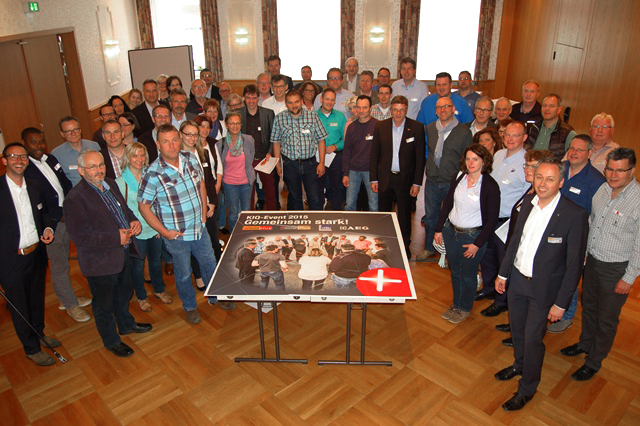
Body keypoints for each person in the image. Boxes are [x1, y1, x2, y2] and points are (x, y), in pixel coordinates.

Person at [493, 157, 588, 411]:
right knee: (517, 330)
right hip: (517, 281)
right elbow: (515, 241)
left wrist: (561, 304)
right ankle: (519, 365)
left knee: (533, 339)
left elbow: (574, 266)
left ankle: (527, 388)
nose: (543, 184)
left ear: (561, 182)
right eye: (539, 177)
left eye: (550, 179)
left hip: (543, 290)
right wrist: (503, 274)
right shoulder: (527, 203)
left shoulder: (574, 215)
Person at [138, 124, 235, 325]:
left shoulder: (190, 158)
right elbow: (144, 207)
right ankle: (190, 306)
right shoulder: (152, 173)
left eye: (175, 140)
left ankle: (216, 297)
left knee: (210, 263)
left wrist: (203, 213)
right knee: (184, 273)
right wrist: (164, 232)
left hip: (199, 228)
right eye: (166, 142)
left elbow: (201, 184)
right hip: (176, 236)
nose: (172, 145)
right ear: (158, 144)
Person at [64, 149, 153, 358]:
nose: (99, 170)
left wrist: (133, 220)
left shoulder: (110, 184)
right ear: (81, 170)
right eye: (92, 167)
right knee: (104, 304)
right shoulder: (75, 198)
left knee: (124, 292)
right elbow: (79, 236)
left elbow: (124, 210)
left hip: (122, 253)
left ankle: (126, 324)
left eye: (101, 165)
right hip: (100, 261)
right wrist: (115, 237)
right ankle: (111, 341)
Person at [560, 148, 640, 382]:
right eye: (610, 169)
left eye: (620, 171)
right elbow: (592, 222)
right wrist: (585, 255)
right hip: (593, 261)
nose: (613, 175)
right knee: (589, 308)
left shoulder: (637, 201)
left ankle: (594, 362)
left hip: (616, 269)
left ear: (632, 171)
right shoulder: (602, 190)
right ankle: (585, 344)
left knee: (606, 319)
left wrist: (629, 278)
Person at [22, 128, 92, 322]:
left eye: (41, 141)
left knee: (68, 260)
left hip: (68, 217)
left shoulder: (50, 159)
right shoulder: (26, 169)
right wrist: (53, 218)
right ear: (25, 144)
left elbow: (65, 184)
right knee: (59, 264)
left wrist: (70, 206)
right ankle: (70, 304)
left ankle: (65, 297)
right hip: (51, 225)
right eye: (33, 142)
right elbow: (34, 203)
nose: (39, 146)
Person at [0, 143, 57, 366]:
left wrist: (48, 228)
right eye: (13, 156)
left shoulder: (34, 186)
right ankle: (31, 348)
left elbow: (45, 215)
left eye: (23, 157)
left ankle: (39, 334)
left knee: (36, 299)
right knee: (19, 305)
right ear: (4, 160)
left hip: (36, 254)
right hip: (10, 260)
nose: (19, 160)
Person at [545, 135, 606, 333]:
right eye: (572, 148)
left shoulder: (596, 180)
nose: (574, 152)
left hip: (574, 237)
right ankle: (548, 304)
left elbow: (596, 216)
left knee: (568, 275)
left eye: (580, 150)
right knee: (550, 271)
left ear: (590, 153)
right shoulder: (559, 168)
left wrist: (586, 247)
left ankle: (567, 315)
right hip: (549, 231)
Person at [435, 144, 500, 323]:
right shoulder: (459, 177)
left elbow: (492, 220)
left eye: (475, 159)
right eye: (468, 159)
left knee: (468, 274)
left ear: (484, 161)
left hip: (472, 237)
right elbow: (448, 203)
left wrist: (477, 244)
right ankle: (456, 304)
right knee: (455, 271)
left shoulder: (490, 186)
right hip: (451, 233)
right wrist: (439, 229)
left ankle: (464, 307)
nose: (471, 163)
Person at [496, 149, 553, 347]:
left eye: (533, 166)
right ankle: (516, 328)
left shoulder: (542, 199)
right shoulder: (529, 193)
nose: (528, 169)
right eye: (527, 165)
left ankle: (523, 337)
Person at [476, 122, 529, 313]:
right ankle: (489, 288)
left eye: (515, 135)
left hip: (507, 222)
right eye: (507, 134)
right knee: (487, 257)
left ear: (524, 138)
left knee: (503, 262)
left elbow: (527, 196)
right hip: (489, 218)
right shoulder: (497, 155)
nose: (510, 139)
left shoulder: (526, 162)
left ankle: (501, 301)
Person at [115, 143, 172, 312]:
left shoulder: (152, 175)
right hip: (136, 231)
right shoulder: (120, 182)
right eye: (135, 156)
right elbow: (120, 210)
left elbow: (160, 201)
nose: (139, 159)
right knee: (138, 267)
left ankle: (159, 290)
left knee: (155, 262)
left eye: (142, 155)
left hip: (154, 228)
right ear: (128, 157)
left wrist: (160, 226)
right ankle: (141, 297)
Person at [417, 96, 473, 261]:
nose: (443, 110)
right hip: (432, 181)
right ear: (436, 111)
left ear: (453, 109)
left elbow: (467, 159)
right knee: (430, 217)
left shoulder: (464, 132)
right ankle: (429, 248)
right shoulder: (430, 128)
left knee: (450, 219)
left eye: (446, 106)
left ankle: (448, 253)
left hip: (452, 182)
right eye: (439, 107)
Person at [370, 95, 425, 256]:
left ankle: (404, 248)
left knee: (405, 216)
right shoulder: (381, 126)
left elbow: (420, 158)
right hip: (385, 178)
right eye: (395, 110)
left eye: (401, 110)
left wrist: (417, 183)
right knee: (384, 215)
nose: (398, 113)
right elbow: (374, 154)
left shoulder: (416, 127)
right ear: (391, 110)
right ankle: (383, 247)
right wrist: (374, 178)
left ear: (406, 110)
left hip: (405, 179)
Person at [272, 89, 328, 210]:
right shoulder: (279, 118)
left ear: (302, 101)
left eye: (297, 102)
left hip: (310, 164)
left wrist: (322, 163)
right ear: (286, 104)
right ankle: (296, 221)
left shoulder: (312, 116)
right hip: (290, 164)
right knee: (294, 198)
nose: (294, 105)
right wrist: (277, 165)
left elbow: (321, 140)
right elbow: (276, 142)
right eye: (290, 102)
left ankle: (315, 221)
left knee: (314, 197)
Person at [215, 112, 255, 232]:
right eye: (232, 123)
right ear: (226, 125)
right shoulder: (220, 144)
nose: (235, 126)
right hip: (229, 183)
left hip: (246, 182)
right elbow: (219, 165)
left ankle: (246, 235)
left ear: (241, 124)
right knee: (233, 213)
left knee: (246, 212)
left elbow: (251, 158)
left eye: (237, 123)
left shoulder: (249, 140)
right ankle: (235, 236)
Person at [238, 84, 276, 211]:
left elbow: (274, 136)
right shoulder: (238, 114)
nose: (251, 101)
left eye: (254, 98)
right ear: (244, 98)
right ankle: (248, 216)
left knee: (270, 191)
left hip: (265, 158)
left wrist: (270, 152)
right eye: (248, 98)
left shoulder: (268, 113)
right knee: (248, 191)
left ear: (258, 98)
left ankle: (272, 216)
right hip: (246, 160)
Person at [194, 115, 224, 260]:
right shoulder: (192, 147)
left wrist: (216, 187)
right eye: (202, 126)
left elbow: (219, 167)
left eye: (208, 127)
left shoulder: (212, 143)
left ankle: (216, 254)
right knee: (204, 227)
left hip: (213, 187)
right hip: (200, 193)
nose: (205, 129)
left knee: (213, 223)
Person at [343, 95, 378, 211]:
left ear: (370, 109)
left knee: (374, 204)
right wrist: (345, 173)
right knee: (349, 204)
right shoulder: (351, 127)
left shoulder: (378, 126)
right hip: (353, 171)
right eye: (358, 107)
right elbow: (347, 151)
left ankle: (374, 224)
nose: (361, 110)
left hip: (371, 172)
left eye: (365, 107)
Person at [316, 88, 347, 210]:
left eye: (332, 100)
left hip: (336, 156)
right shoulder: (312, 116)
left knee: (336, 187)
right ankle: (318, 212)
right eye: (327, 99)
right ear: (321, 99)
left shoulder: (340, 116)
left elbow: (346, 139)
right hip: (317, 156)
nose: (329, 102)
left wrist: (335, 146)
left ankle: (336, 212)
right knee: (318, 186)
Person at [51, 116, 101, 186]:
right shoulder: (57, 154)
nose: (73, 133)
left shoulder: (94, 146)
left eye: (75, 129)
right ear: (62, 134)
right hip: (75, 191)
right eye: (68, 131)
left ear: (80, 130)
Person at [528, 93, 576, 159]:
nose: (547, 109)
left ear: (559, 109)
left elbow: (571, 158)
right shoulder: (534, 127)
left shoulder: (568, 133)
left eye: (551, 106)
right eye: (544, 105)